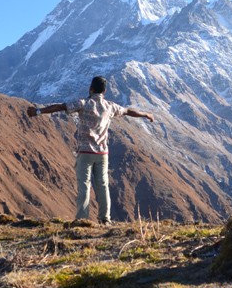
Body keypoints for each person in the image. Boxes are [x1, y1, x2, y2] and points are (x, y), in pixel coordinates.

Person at [26, 76, 155, 224]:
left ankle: (82, 219)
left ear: (91, 89)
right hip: (102, 153)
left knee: (84, 185)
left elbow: (60, 107)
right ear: (104, 91)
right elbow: (128, 111)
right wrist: (146, 114)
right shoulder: (110, 106)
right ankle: (105, 219)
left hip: (85, 152)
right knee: (103, 185)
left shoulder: (83, 103)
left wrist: (37, 112)